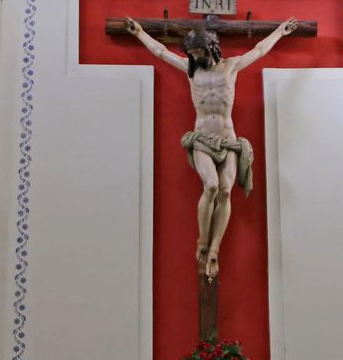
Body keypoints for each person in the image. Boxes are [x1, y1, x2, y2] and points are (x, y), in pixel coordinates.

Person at [123, 15, 298, 278]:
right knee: (212, 186)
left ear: (211, 48)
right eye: (192, 53)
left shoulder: (231, 67)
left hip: (228, 140)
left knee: (226, 191)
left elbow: (259, 50)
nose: (195, 57)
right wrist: (138, 33)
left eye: (198, 52)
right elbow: (160, 52)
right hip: (203, 139)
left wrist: (280, 32)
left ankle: (215, 249)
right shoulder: (190, 69)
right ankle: (202, 243)